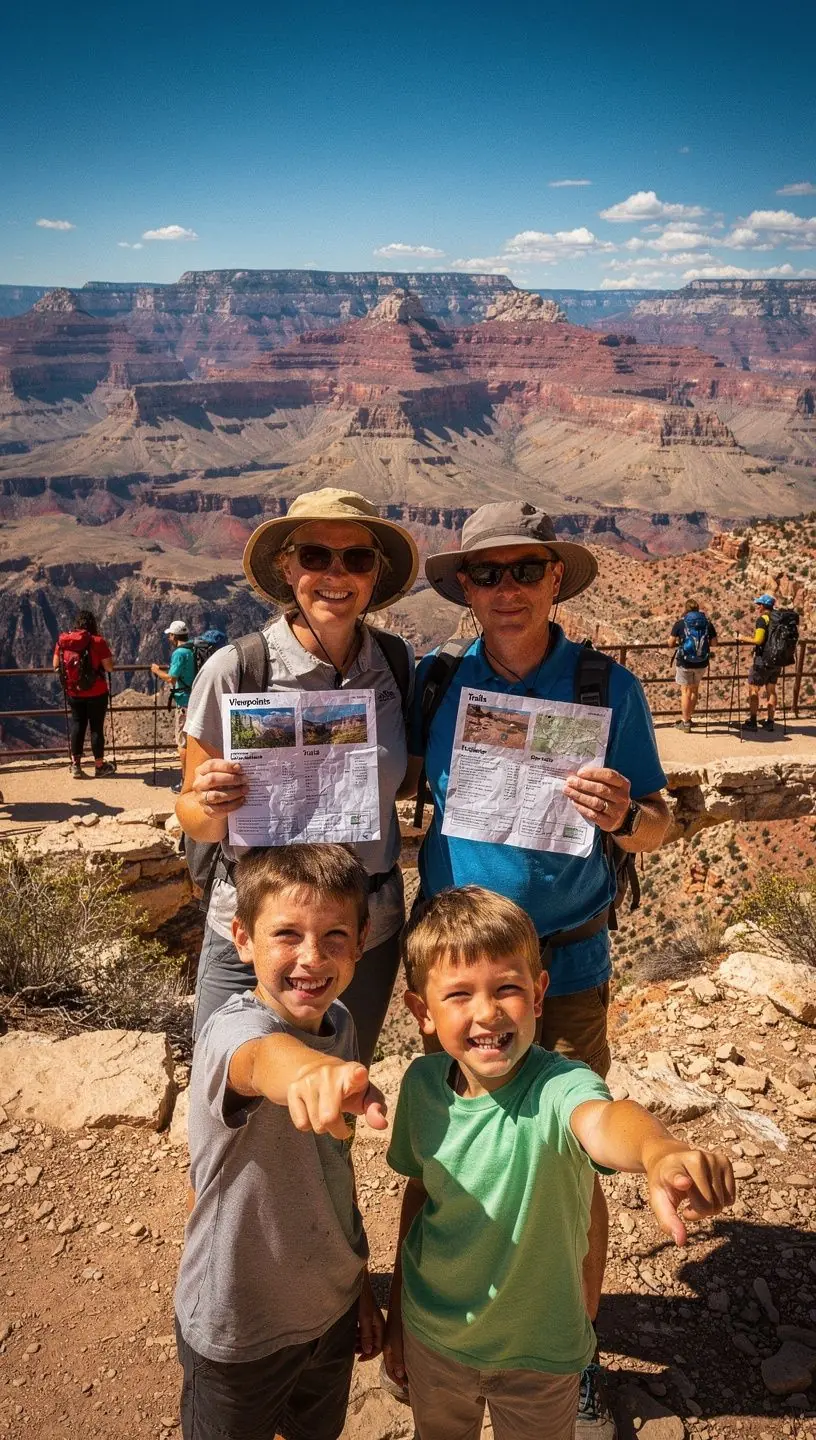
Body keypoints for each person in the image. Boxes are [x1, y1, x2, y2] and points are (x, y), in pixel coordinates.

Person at [406, 500, 670, 1437]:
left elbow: (660, 819)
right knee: (442, 1149)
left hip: (564, 967)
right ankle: (437, 1327)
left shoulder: (605, 686)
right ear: (465, 588)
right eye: (488, 573)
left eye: (525, 570)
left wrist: (624, 816)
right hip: (450, 969)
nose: (507, 588)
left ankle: (574, 1353)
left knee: (566, 1171)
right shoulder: (437, 687)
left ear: (556, 577)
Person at [382, 886, 736, 1440]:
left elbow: (605, 1119)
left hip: (539, 1355)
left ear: (539, 994)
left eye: (507, 988)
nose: (487, 1011)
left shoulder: (559, 1085)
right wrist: (400, 1322)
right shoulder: (422, 1087)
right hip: (433, 1338)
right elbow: (419, 1196)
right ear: (421, 1011)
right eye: (459, 995)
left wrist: (657, 1150)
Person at [177, 487, 419, 1063]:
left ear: (375, 574)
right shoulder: (237, 668)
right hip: (256, 931)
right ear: (288, 568)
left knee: (341, 1089)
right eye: (315, 557)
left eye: (356, 559)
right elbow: (191, 815)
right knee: (229, 1089)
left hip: (364, 927)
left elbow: (404, 784)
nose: (335, 574)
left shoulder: (397, 662)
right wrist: (210, 804)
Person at [175, 844, 387, 1440]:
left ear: (364, 938)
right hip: (239, 1327)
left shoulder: (339, 1023)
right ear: (242, 938)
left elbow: (331, 1173)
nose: (311, 959)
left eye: (335, 935)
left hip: (330, 1312)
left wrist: (358, 1287)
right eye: (286, 934)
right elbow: (263, 1059)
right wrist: (307, 1074)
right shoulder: (231, 1033)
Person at [53, 609, 115, 779]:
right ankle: (99, 766)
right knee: (96, 728)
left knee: (77, 726)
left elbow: (56, 664)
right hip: (97, 692)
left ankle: (76, 766)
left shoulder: (64, 642)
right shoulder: (98, 641)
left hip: (74, 692)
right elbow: (109, 667)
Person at [151, 620, 196, 791]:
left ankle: (185, 781)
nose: (169, 638)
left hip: (184, 702)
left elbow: (171, 678)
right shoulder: (193, 649)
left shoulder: (180, 653)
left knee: (183, 743)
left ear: (174, 636)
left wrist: (156, 671)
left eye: (170, 635)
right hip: (196, 699)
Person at [669, 601, 717, 732]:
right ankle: (689, 718)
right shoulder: (707, 623)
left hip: (685, 662)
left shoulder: (681, 623)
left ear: (686, 609)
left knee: (685, 691)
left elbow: (670, 643)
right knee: (694, 690)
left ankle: (685, 722)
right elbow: (714, 643)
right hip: (701, 662)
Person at [740, 594, 778, 732]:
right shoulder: (778, 619)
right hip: (776, 660)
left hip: (762, 659)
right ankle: (770, 721)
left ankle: (753, 721)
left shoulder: (763, 620)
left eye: (758, 604)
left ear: (762, 606)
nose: (757, 607)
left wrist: (742, 637)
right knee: (771, 690)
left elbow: (758, 640)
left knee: (754, 689)